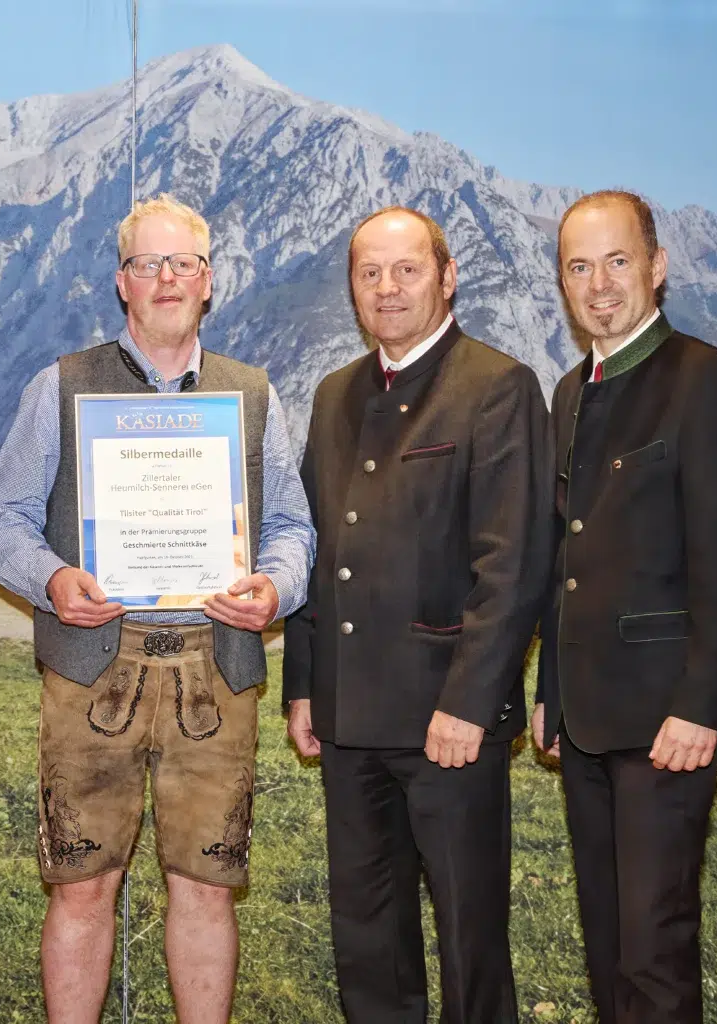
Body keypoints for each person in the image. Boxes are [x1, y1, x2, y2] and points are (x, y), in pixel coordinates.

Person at [0, 193, 315, 1024]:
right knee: (83, 887)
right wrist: (54, 580)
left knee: (205, 888)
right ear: (121, 284)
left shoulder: (254, 394)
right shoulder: (60, 385)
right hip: (92, 674)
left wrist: (274, 586)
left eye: (182, 264)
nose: (165, 278)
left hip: (218, 673)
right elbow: (4, 519)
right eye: (145, 264)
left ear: (209, 281)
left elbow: (291, 527)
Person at [282, 206, 551, 1023]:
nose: (387, 288)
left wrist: (470, 705)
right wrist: (304, 685)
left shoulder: (497, 387)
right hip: (349, 717)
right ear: (353, 289)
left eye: (406, 270)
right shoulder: (334, 395)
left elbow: (512, 566)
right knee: (366, 936)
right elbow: (317, 548)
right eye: (370, 273)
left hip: (448, 721)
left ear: (447, 275)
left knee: (470, 936)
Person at [533, 190, 717, 1024]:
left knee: (655, 948)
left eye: (618, 261)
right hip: (588, 721)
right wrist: (550, 695)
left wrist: (705, 708)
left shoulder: (708, 380)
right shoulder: (569, 393)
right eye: (579, 267)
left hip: (670, 722)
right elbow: (569, 556)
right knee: (606, 943)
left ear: (658, 267)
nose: (600, 285)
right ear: (563, 284)